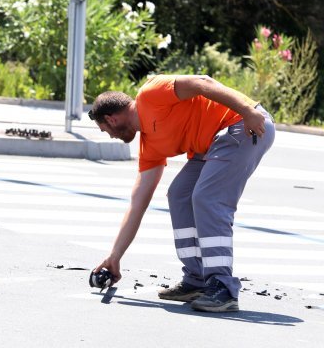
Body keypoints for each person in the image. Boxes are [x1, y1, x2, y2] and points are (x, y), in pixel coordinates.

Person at [89, 74, 275, 312]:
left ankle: (223, 287)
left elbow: (203, 83)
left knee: (207, 197)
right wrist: (114, 256)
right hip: (212, 143)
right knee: (179, 194)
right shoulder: (150, 146)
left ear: (111, 119)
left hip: (244, 124)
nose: (111, 136)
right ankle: (196, 279)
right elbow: (138, 204)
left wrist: (248, 111)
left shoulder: (150, 94)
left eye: (106, 131)